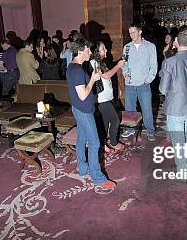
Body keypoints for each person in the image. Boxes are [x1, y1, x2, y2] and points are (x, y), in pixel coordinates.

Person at [67, 37, 115, 190]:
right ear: (80, 51)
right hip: (83, 111)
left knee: (81, 139)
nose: (90, 52)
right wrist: (93, 80)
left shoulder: (73, 67)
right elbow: (82, 94)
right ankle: (98, 177)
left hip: (79, 108)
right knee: (95, 143)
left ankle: (83, 168)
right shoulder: (77, 71)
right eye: (87, 50)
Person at [159, 28, 187, 173]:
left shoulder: (169, 62)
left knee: (179, 141)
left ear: (177, 41)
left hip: (175, 107)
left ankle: (183, 171)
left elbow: (162, 89)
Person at [122, 24, 158, 141]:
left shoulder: (150, 47)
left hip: (144, 84)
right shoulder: (127, 47)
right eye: (130, 33)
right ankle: (130, 128)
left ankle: (150, 130)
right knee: (129, 108)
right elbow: (124, 64)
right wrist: (126, 75)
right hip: (130, 85)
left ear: (140, 32)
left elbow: (154, 66)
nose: (131, 35)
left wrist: (148, 80)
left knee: (146, 108)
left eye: (133, 32)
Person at [90, 42, 126, 152]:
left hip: (106, 98)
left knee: (105, 124)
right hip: (101, 100)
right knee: (115, 121)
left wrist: (118, 63)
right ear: (96, 52)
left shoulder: (101, 62)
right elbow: (105, 76)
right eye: (103, 49)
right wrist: (118, 66)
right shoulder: (93, 62)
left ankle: (103, 144)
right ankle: (114, 143)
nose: (106, 50)